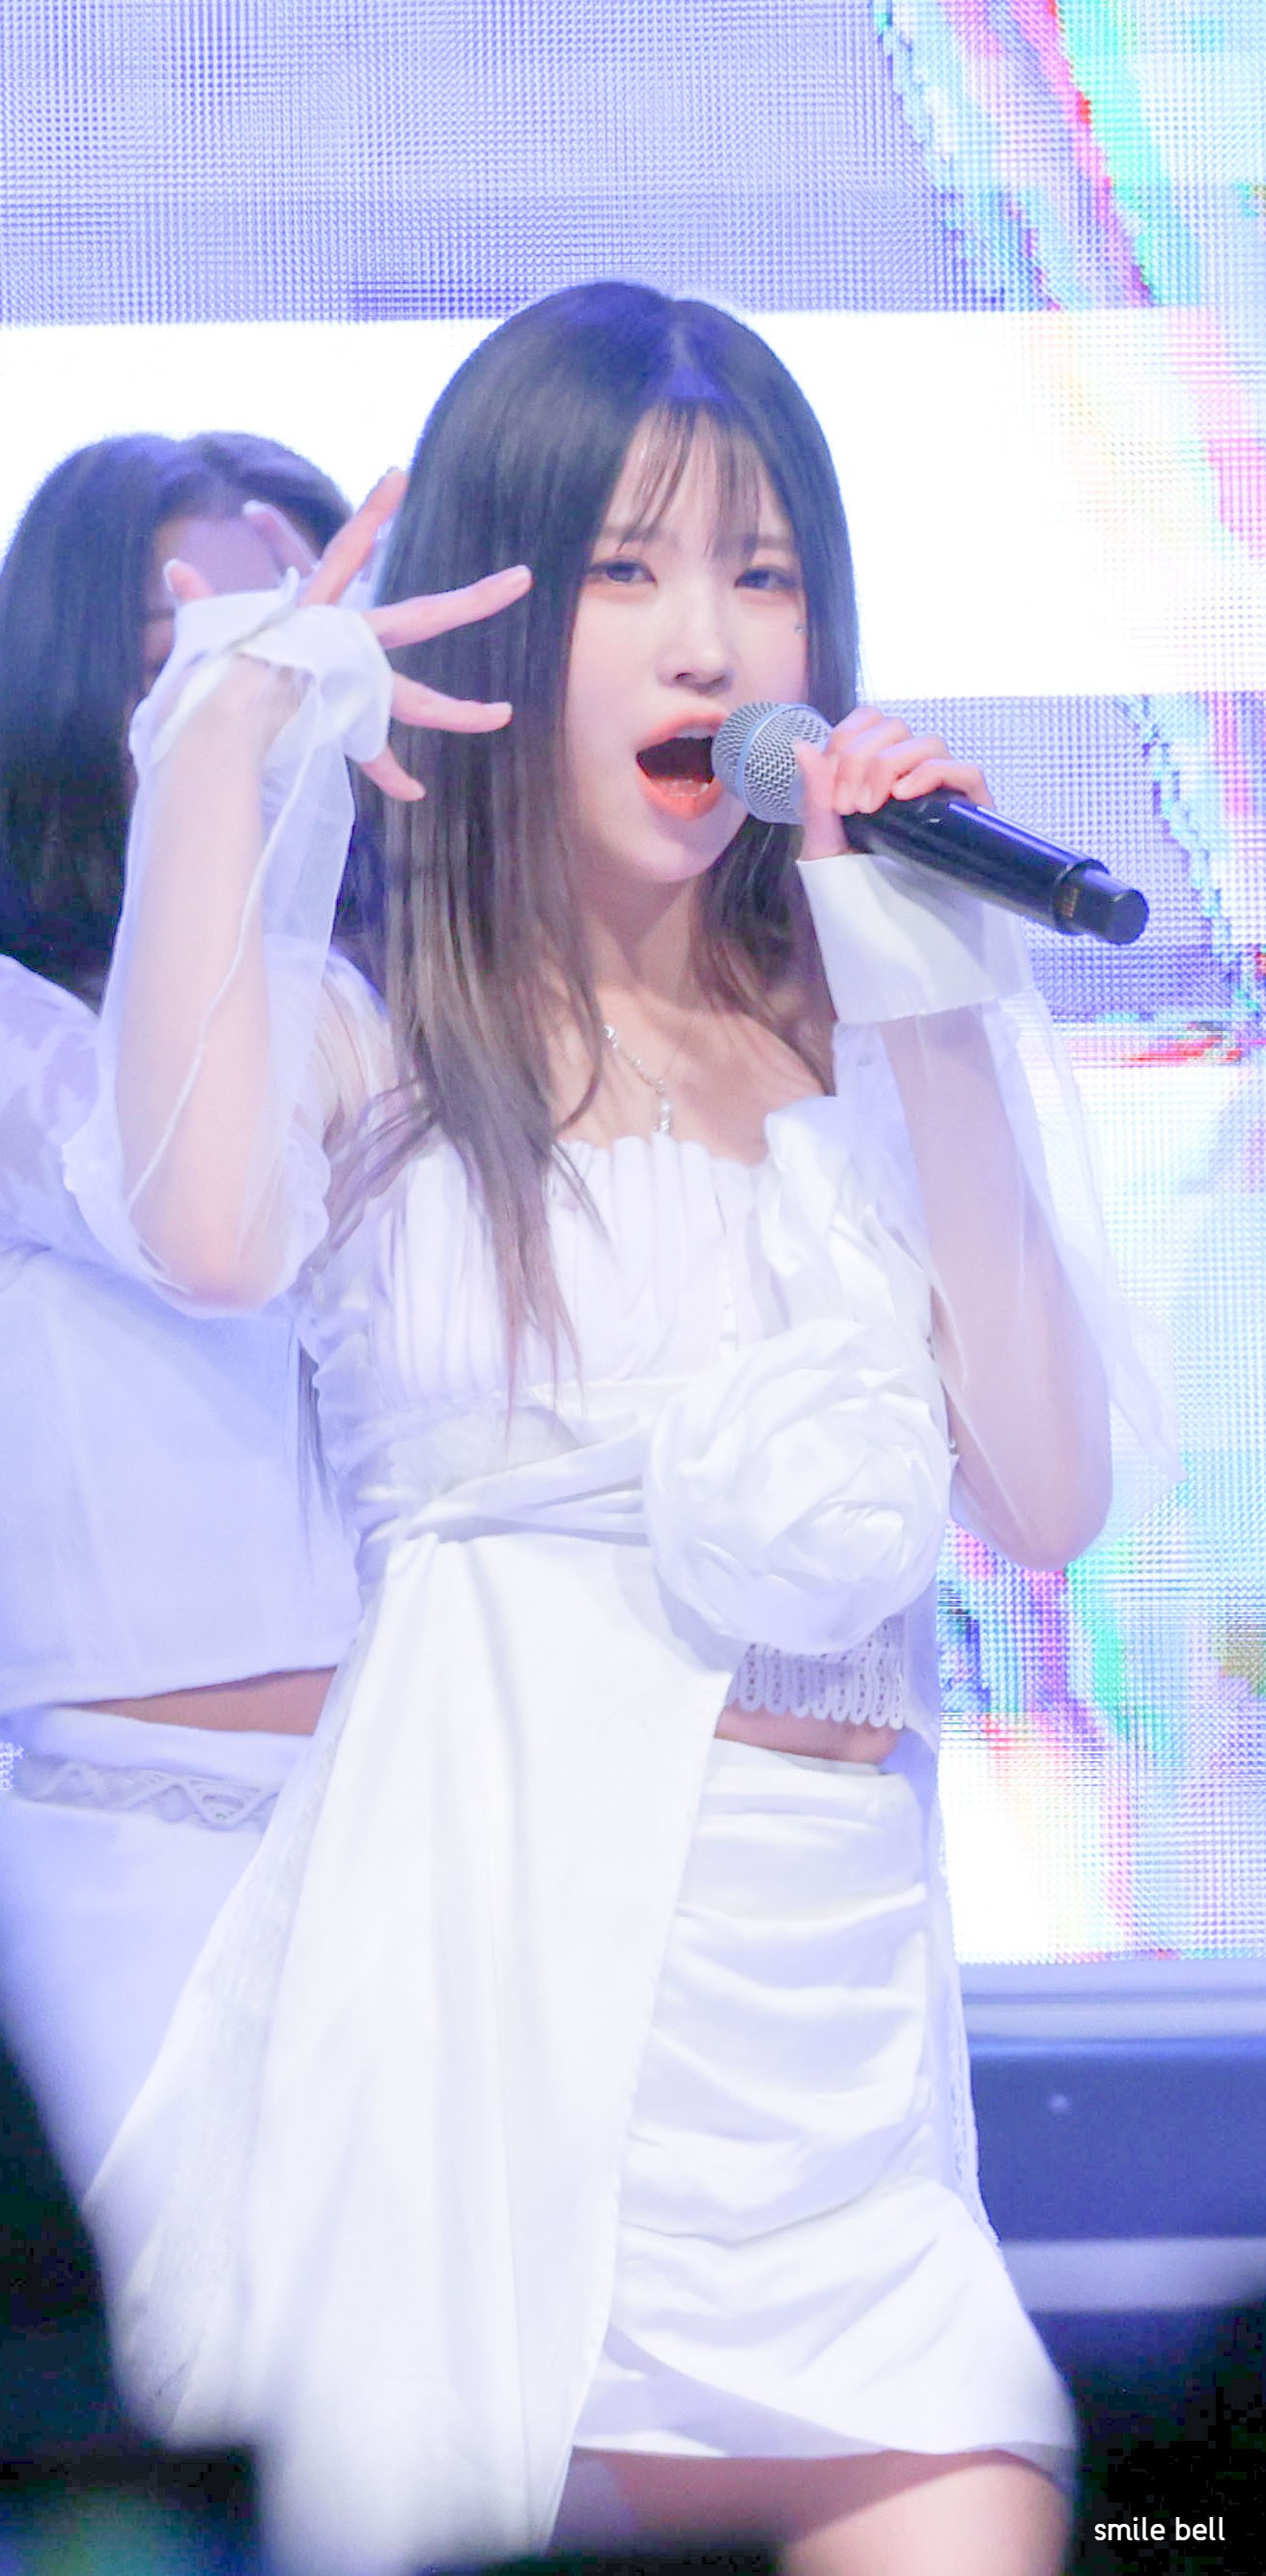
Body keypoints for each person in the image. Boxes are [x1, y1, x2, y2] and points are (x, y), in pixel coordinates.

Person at [65, 286, 1167, 2575]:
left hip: (829, 2093)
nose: (703, 642)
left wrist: (926, 990)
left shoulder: (865, 1027)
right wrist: (219, 742)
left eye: (758, 573)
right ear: (497, 613)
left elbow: (1047, 1491)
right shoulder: (380, 1040)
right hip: (486, 2023)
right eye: (626, 569)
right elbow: (197, 1221)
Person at [0, 431, 358, 2192]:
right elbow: (176, 1211)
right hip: (122, 1868)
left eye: (296, 653)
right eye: (190, 661)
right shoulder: (26, 1040)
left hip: (429, 1834)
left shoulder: (402, 1011)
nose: (252, 707)